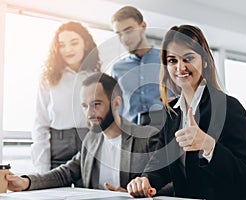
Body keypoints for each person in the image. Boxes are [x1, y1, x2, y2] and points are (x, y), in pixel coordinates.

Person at [126, 25, 246, 200]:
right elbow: (159, 165)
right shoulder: (171, 113)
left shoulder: (229, 107)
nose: (180, 68)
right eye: (172, 60)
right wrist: (145, 181)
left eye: (188, 58)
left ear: (204, 61)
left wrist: (208, 145)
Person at [6, 72, 160, 192]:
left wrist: (139, 193)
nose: (89, 113)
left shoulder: (146, 137)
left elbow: (170, 183)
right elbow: (65, 173)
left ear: (116, 103)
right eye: (85, 106)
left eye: (96, 104)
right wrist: (25, 182)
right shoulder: (91, 140)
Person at [31, 21, 101, 173]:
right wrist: (42, 168)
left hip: (89, 141)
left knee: (89, 195)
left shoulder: (98, 77)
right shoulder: (48, 78)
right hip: (58, 145)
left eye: (74, 43)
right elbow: (40, 122)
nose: (67, 49)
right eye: (62, 45)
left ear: (86, 44)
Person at [111, 6, 174, 123]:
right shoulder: (117, 69)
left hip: (166, 130)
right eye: (119, 34)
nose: (124, 39)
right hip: (131, 134)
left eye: (128, 31)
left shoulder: (167, 60)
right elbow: (116, 107)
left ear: (143, 26)